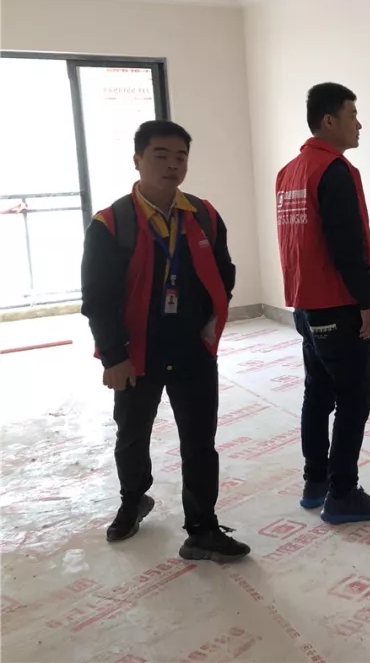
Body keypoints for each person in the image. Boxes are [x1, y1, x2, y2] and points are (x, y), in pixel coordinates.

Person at [81, 120, 250, 562]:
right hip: (136, 352)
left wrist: (207, 321)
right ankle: (133, 500)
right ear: (137, 160)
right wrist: (113, 356)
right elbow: (98, 299)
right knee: (132, 434)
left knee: (200, 439)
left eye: (181, 157)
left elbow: (224, 272)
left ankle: (202, 527)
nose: (172, 165)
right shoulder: (111, 223)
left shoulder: (204, 215)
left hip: (192, 349)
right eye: (161, 156)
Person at [275, 82, 370, 524]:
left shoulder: (290, 172)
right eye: (352, 114)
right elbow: (346, 244)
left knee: (318, 394)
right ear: (329, 120)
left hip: (305, 305)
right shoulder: (333, 170)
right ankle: (342, 493)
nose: (359, 124)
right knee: (353, 400)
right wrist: (365, 303)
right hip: (337, 305)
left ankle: (316, 482)